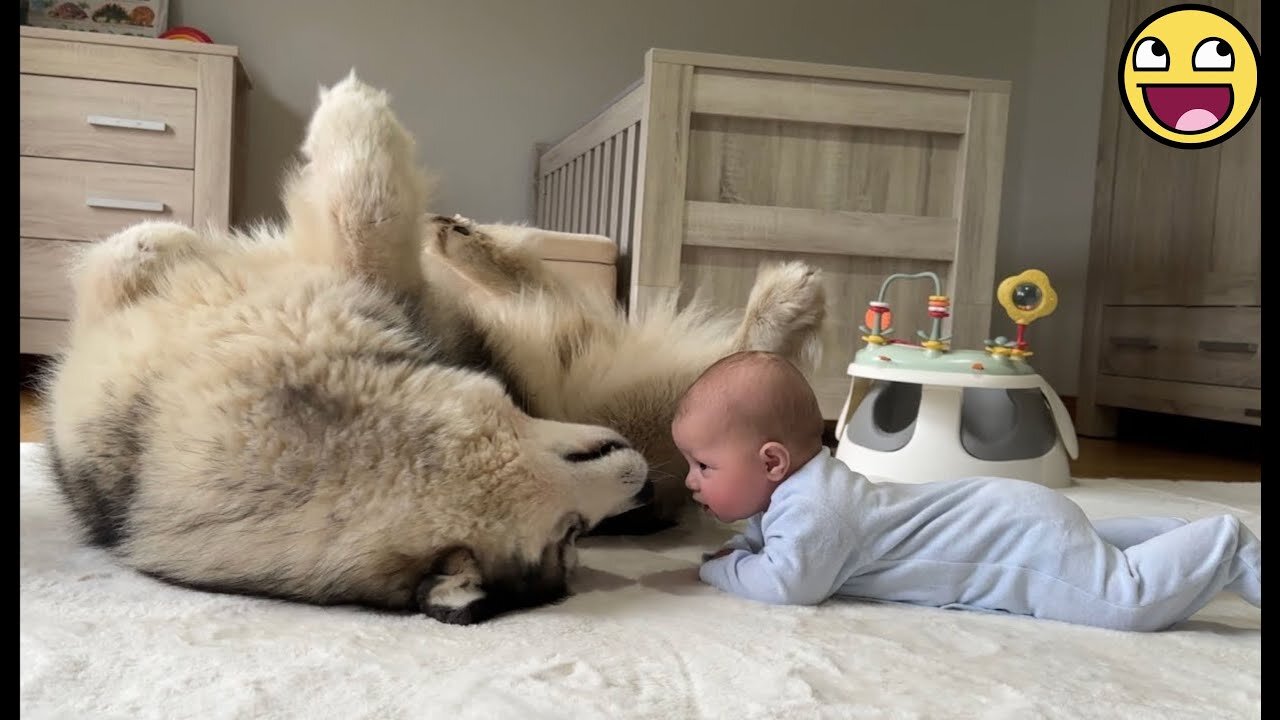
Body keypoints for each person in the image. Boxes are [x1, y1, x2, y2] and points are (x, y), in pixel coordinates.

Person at [672, 350, 1261, 632]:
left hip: (1018, 545)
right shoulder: (806, 492)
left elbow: (790, 585)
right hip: (1013, 519)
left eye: (703, 465)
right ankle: (1173, 540)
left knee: (1124, 600)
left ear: (772, 462)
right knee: (1098, 553)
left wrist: (720, 569)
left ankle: (1227, 547)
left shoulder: (817, 510)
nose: (692, 480)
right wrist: (743, 545)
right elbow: (769, 544)